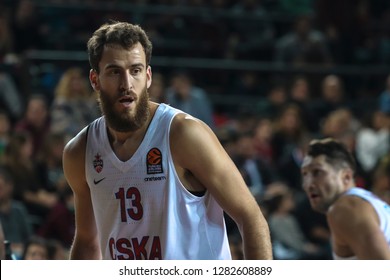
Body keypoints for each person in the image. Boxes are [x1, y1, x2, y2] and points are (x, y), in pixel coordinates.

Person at [62, 21, 272, 260]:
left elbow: (250, 216)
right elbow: (88, 242)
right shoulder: (80, 152)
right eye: (114, 71)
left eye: (136, 70)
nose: (127, 84)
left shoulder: (183, 133)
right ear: (95, 79)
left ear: (148, 76)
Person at [301, 138, 390, 259]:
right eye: (305, 174)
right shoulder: (368, 200)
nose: (308, 184)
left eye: (317, 172)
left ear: (346, 176)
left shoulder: (344, 209)